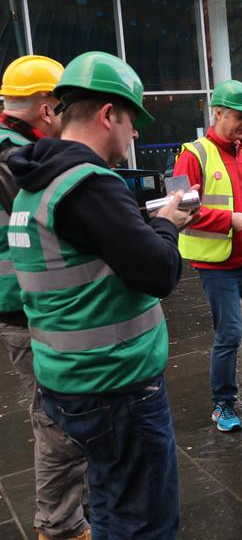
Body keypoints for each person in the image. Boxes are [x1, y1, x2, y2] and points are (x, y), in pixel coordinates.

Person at [6, 51, 195, 538]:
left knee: (111, 504)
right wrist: (165, 224)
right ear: (109, 115)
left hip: (67, 384)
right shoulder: (89, 184)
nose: (134, 135)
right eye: (131, 121)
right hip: (117, 388)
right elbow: (160, 273)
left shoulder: (34, 184)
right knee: (144, 521)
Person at [0, 55, 91, 540]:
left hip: (26, 305)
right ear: (44, 107)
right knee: (55, 421)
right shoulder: (17, 159)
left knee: (59, 413)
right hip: (28, 309)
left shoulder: (15, 150)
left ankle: (78, 511)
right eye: (63, 105)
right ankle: (60, 526)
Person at [174, 79, 242, 433]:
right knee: (230, 333)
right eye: (239, 116)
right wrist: (228, 220)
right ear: (217, 113)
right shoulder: (193, 155)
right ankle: (222, 404)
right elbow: (179, 211)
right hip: (218, 264)